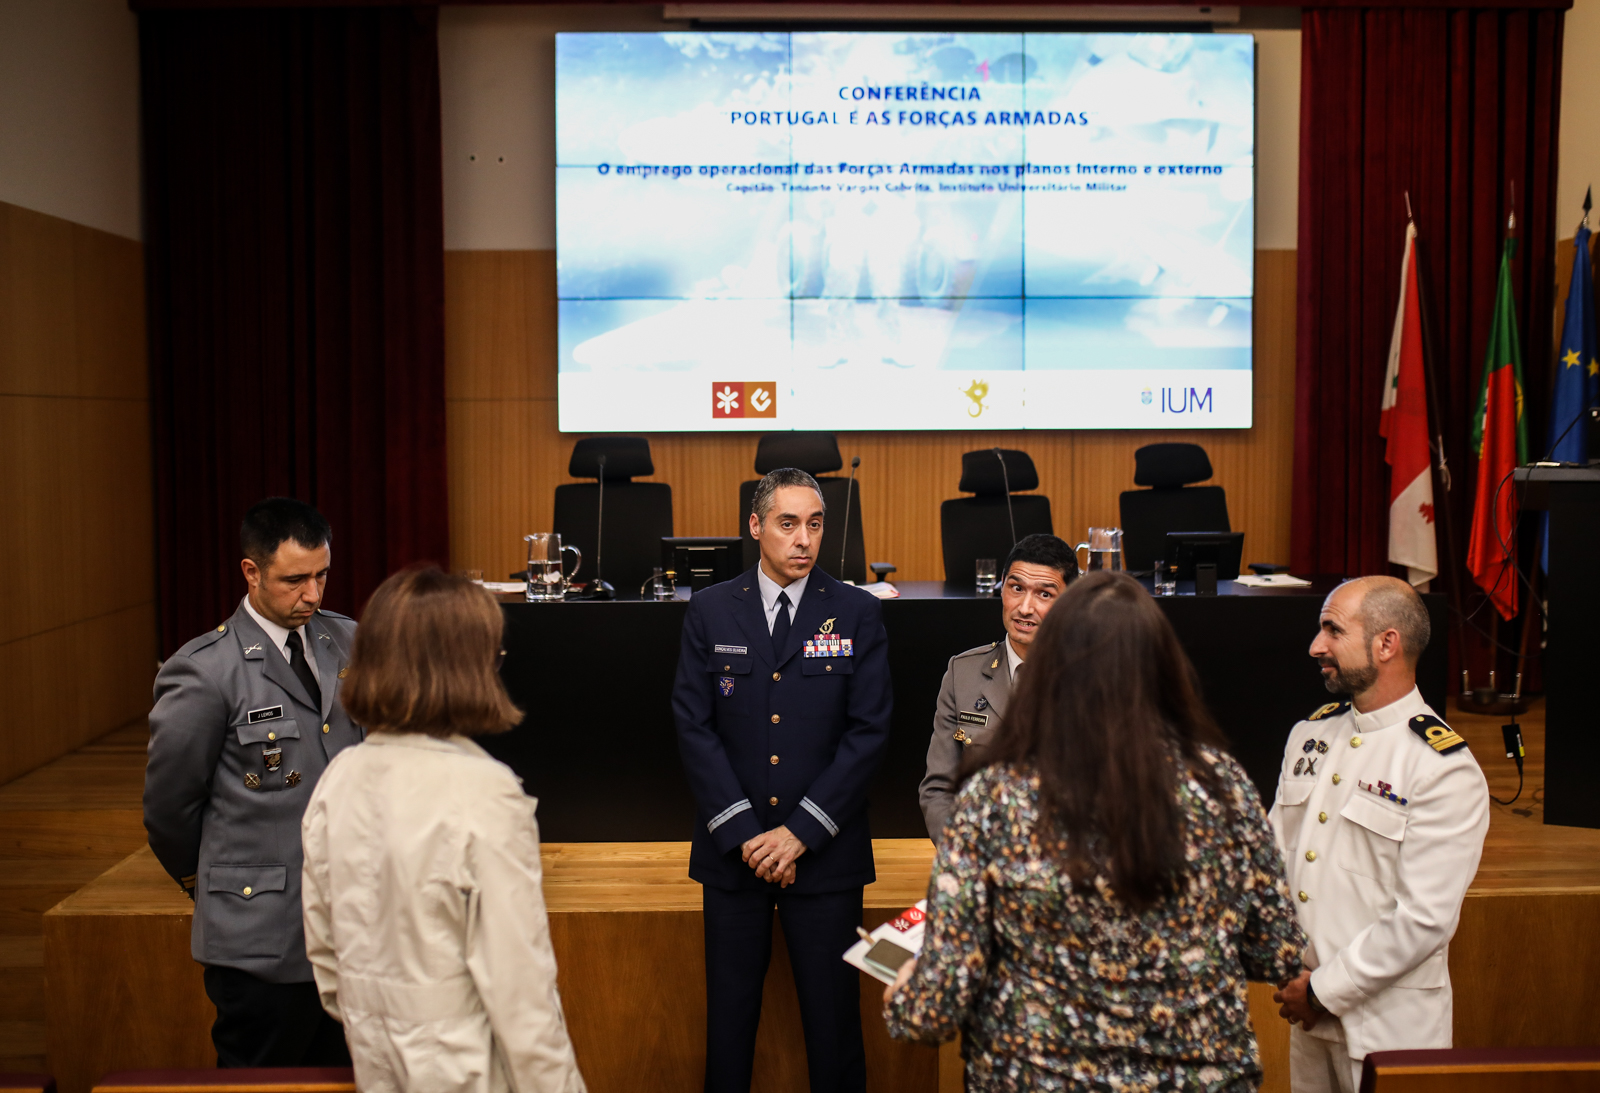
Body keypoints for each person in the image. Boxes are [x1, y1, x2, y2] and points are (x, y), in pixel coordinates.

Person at [884, 571, 1305, 1091]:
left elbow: (932, 1012)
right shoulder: (1223, 786)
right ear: (1163, 666)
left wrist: (907, 994)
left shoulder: (996, 798)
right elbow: (1275, 950)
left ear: (1051, 665)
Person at [301, 567, 585, 1093]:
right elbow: (521, 994)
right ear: (468, 667)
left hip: (372, 1056)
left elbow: (324, 952)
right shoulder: (486, 793)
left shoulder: (338, 778)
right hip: (466, 1066)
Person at [672, 467, 893, 1093]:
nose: (804, 539)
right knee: (729, 1031)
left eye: (815, 525)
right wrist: (748, 835)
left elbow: (869, 732)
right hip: (734, 857)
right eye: (788, 523)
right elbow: (693, 726)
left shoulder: (856, 611)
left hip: (824, 856)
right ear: (755, 526)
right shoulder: (711, 609)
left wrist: (798, 834)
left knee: (834, 1032)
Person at [144, 497, 359, 1066]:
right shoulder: (205, 669)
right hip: (260, 934)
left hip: (350, 930)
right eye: (294, 580)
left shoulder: (350, 643)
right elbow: (170, 808)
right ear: (252, 572)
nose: (312, 595)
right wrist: (210, 882)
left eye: (321, 576)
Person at [1269, 576, 1489, 1093]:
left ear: (1387, 644)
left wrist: (1322, 991)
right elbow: (1272, 860)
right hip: (1308, 1016)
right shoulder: (1310, 736)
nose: (1316, 646)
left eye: (1333, 630)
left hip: (1389, 1027)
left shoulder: (1441, 767)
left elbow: (1424, 919)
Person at [919, 533, 1077, 840]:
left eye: (1044, 594)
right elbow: (938, 789)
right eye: (1016, 588)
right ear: (1001, 586)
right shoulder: (962, 673)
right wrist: (964, 853)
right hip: (979, 851)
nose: (1025, 608)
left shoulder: (1092, 677)